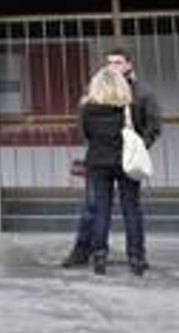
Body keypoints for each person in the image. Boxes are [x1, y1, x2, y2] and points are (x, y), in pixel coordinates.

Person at [62, 48, 162, 269]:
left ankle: (104, 255)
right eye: (109, 62)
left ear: (129, 65)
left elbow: (153, 125)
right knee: (102, 207)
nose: (113, 66)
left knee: (109, 209)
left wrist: (138, 149)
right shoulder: (98, 95)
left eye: (118, 62)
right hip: (108, 159)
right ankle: (88, 252)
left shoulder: (141, 93)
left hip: (107, 159)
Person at [79, 66, 156, 275]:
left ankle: (100, 256)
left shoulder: (86, 109)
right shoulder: (127, 108)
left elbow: (86, 135)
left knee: (101, 209)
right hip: (124, 162)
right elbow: (140, 131)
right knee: (131, 208)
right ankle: (136, 256)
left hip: (97, 163)